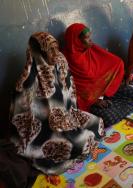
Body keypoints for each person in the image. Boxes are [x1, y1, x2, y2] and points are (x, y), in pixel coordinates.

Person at [10, 32, 105, 174]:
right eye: (50, 50)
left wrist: (69, 117)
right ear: (39, 52)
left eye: (57, 48)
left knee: (98, 123)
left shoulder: (59, 64)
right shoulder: (27, 81)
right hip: (46, 131)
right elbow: (24, 121)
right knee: (81, 142)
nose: (56, 53)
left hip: (68, 117)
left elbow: (70, 96)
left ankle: (76, 137)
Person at [63, 23, 133, 127]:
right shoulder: (66, 61)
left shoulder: (90, 49)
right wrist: (95, 101)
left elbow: (116, 62)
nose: (90, 40)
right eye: (87, 38)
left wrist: (113, 82)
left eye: (90, 37)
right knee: (109, 118)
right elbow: (73, 90)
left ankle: (119, 104)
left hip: (105, 91)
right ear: (76, 41)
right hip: (88, 102)